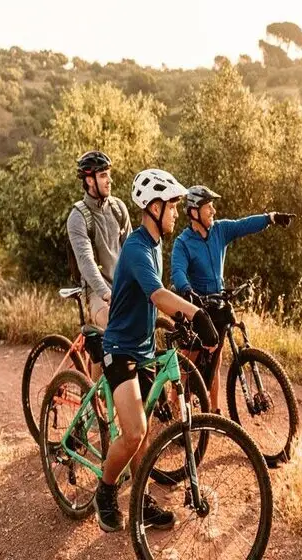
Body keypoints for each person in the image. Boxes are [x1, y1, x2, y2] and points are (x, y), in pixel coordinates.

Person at [94, 169, 219, 533]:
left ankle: (140, 501)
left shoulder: (155, 243)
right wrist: (196, 315)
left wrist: (180, 324)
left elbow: (154, 301)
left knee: (145, 434)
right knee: (134, 433)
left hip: (144, 348)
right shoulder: (136, 249)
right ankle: (105, 492)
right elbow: (158, 295)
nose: (177, 213)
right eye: (173, 206)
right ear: (154, 207)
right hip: (119, 349)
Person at [171, 185, 294, 411]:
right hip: (197, 306)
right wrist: (186, 289)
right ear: (194, 212)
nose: (213, 211)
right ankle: (175, 406)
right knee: (189, 357)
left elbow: (244, 225)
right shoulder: (183, 242)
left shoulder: (220, 230)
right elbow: (177, 270)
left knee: (216, 359)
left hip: (217, 304)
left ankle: (214, 412)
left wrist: (271, 218)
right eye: (209, 207)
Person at [66, 150, 131, 328]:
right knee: (115, 327)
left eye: (109, 175)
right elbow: (86, 261)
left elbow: (132, 251)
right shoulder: (78, 217)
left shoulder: (118, 208)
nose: (109, 181)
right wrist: (105, 293)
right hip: (97, 292)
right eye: (103, 176)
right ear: (89, 180)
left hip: (123, 287)